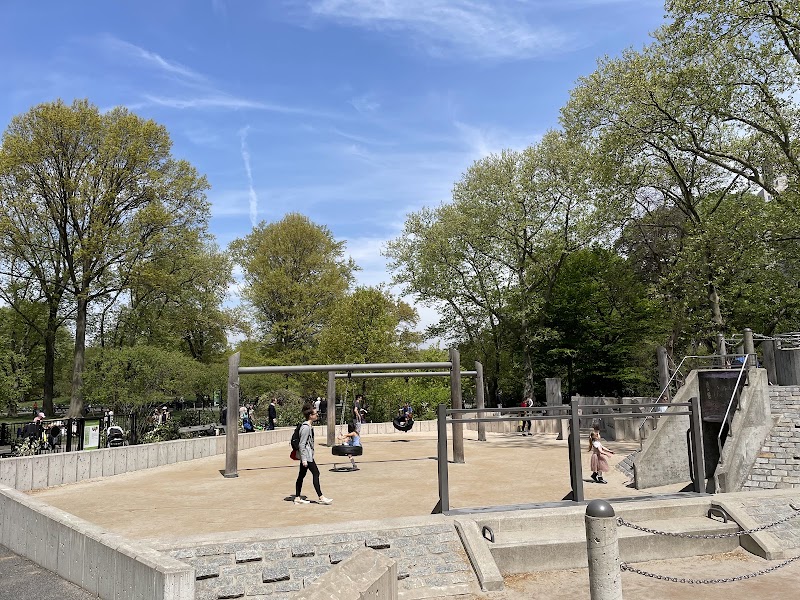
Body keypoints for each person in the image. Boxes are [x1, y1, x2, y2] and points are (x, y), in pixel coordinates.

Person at [294, 404, 333, 505]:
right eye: (315, 414)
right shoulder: (306, 428)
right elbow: (302, 444)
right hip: (307, 456)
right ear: (310, 415)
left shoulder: (308, 426)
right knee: (316, 473)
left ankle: (297, 498)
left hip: (307, 455)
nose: (317, 415)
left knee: (301, 476)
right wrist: (304, 459)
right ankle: (321, 497)